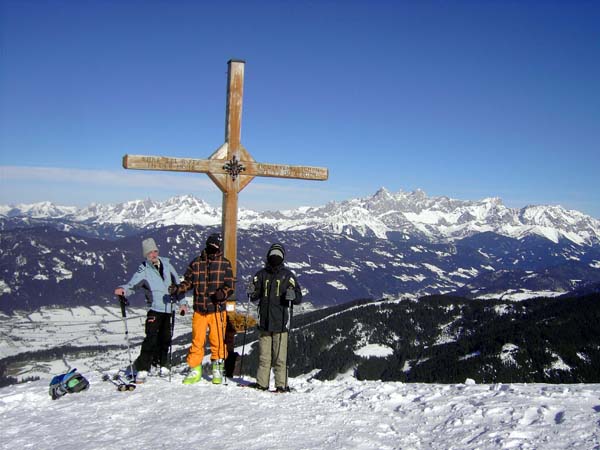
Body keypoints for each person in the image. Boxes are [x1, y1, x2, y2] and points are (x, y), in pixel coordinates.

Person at [114, 237, 187, 383]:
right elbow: (133, 285)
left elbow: (178, 286)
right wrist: (123, 290)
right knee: (151, 338)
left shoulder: (167, 265)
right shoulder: (144, 269)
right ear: (146, 255)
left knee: (166, 338)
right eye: (150, 253)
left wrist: (182, 303)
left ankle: (163, 364)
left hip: (169, 307)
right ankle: (143, 368)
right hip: (155, 308)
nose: (153, 255)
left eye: (155, 251)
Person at [169, 233, 234, 385]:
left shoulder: (224, 264)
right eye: (211, 245)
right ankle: (195, 368)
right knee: (197, 341)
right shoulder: (196, 263)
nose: (213, 248)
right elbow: (189, 282)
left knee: (217, 340)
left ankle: (217, 368)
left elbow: (230, 286)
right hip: (200, 309)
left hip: (217, 309)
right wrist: (178, 289)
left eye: (216, 246)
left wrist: (222, 293)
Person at [248, 243, 302, 392]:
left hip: (280, 322)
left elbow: (298, 297)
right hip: (266, 322)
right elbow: (253, 296)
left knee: (279, 358)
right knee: (265, 357)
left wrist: (292, 296)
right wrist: (251, 292)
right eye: (274, 254)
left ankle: (280, 384)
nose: (275, 257)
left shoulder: (287, 276)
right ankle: (263, 383)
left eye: (278, 255)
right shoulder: (261, 275)